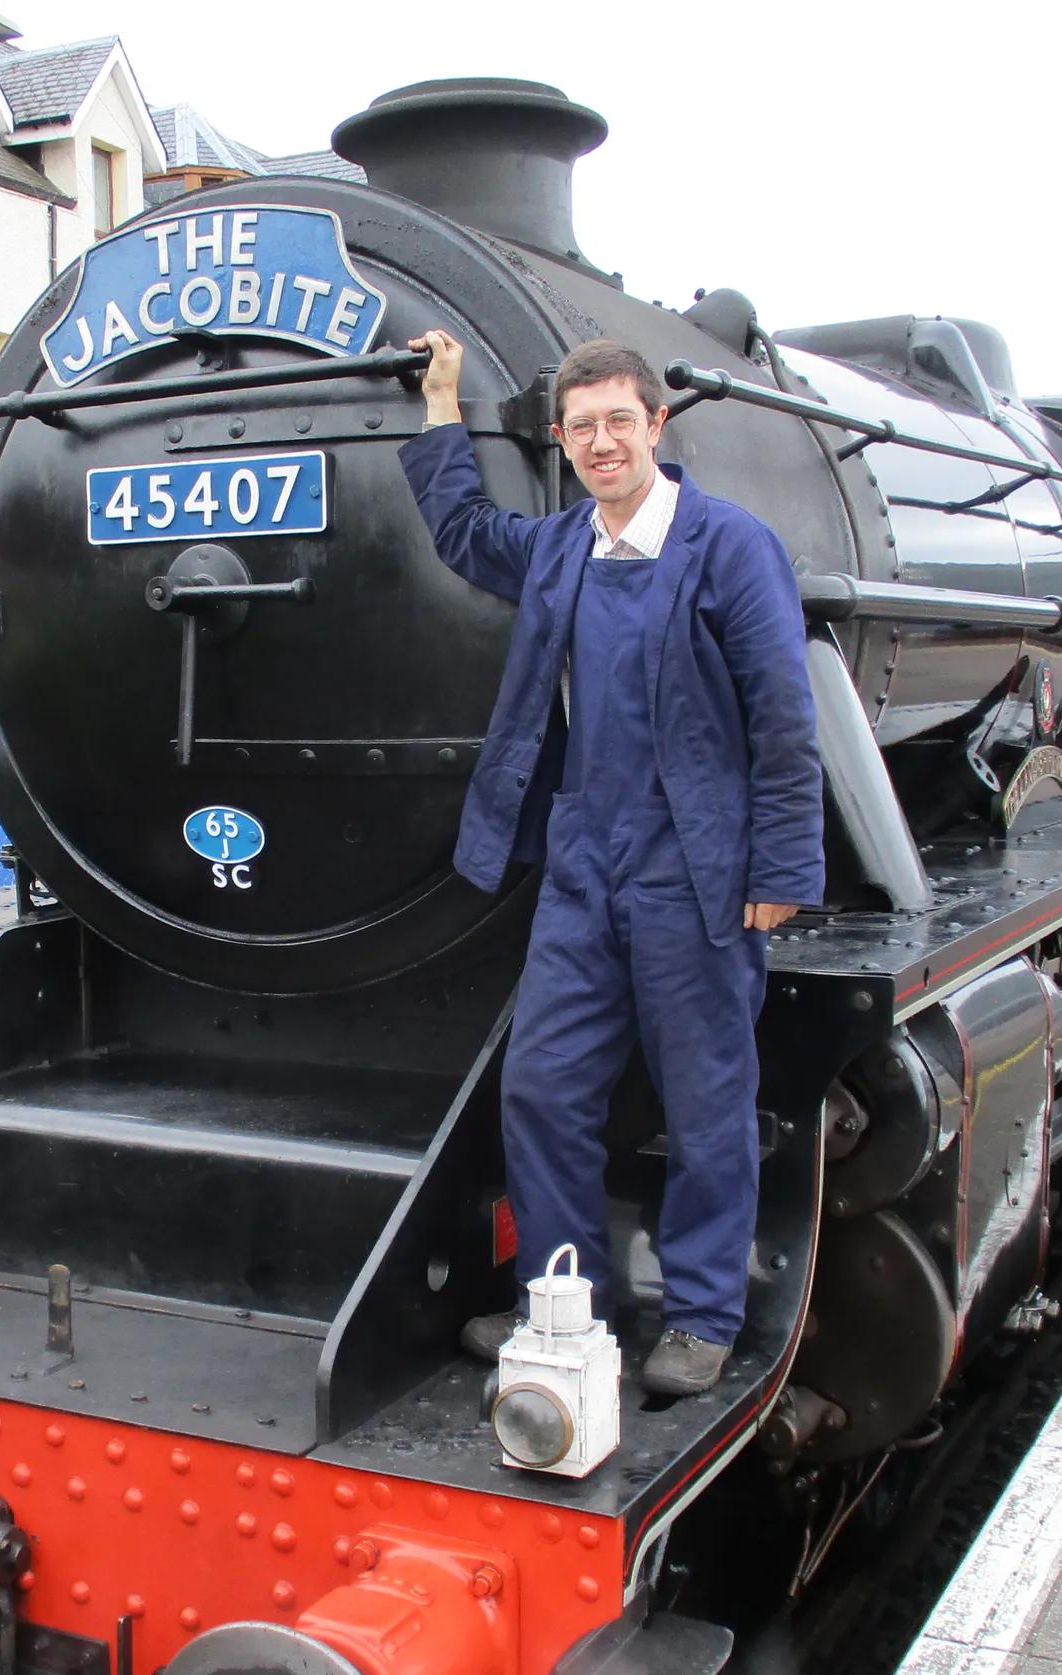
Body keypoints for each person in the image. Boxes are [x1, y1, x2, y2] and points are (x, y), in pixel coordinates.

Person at [396, 329, 823, 1398]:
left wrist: (781, 868)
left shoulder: (729, 547)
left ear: (655, 427)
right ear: (562, 438)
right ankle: (561, 1303)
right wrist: (440, 401)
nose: (600, 442)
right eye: (580, 427)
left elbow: (783, 716)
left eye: (617, 422)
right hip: (584, 860)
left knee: (706, 1096)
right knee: (541, 1087)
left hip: (698, 865)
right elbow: (460, 529)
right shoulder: (559, 549)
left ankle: (703, 1315)